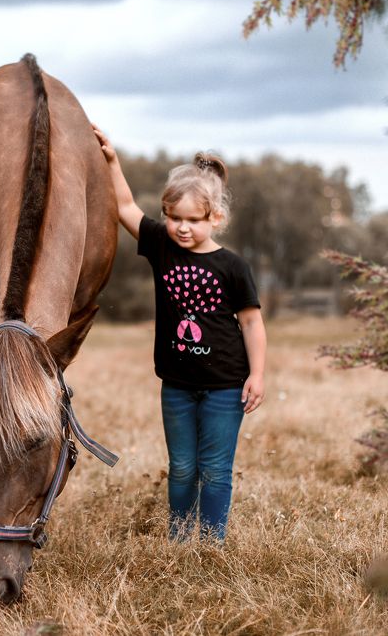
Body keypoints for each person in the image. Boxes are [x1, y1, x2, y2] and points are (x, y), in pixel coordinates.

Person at [93, 125, 267, 542]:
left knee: (216, 470)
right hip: (176, 386)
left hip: (225, 385)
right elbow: (124, 206)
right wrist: (112, 161)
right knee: (184, 468)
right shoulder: (161, 246)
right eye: (173, 218)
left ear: (215, 218)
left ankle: (211, 543)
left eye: (193, 220)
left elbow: (251, 323)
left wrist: (257, 375)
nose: (182, 227)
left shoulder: (233, 267)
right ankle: (180, 537)